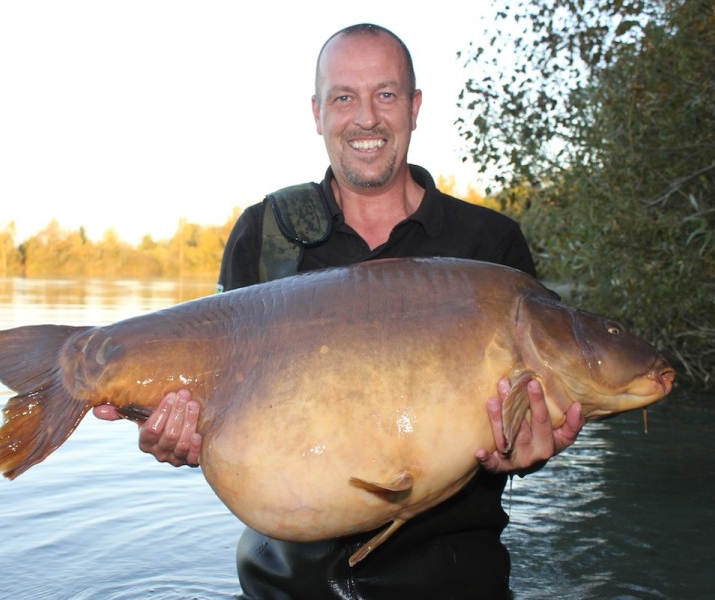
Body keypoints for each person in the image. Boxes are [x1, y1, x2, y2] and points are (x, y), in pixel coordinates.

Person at [95, 23, 585, 599]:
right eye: (344, 97)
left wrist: (527, 453)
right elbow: (223, 400)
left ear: (415, 106)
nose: (367, 118)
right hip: (286, 583)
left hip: (450, 581)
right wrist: (175, 435)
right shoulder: (267, 233)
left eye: (386, 94)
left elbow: (526, 414)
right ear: (318, 112)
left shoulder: (488, 245)